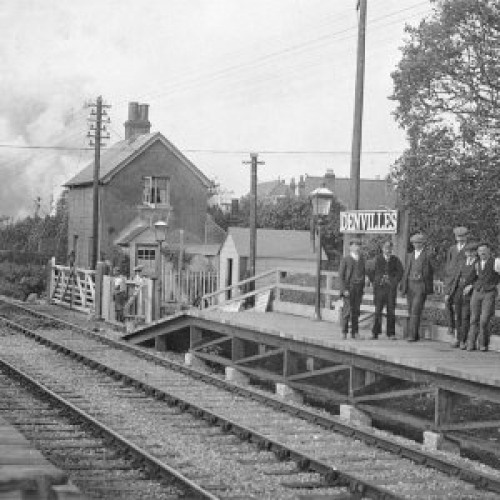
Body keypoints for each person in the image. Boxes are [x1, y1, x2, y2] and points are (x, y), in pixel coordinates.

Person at [400, 233, 434, 342]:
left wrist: (424, 278)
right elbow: (406, 271)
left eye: (419, 243)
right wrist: (404, 286)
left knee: (415, 310)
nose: (416, 245)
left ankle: (412, 336)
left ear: (423, 243)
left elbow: (432, 270)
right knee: (411, 310)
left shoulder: (428, 255)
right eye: (414, 243)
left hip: (420, 285)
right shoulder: (410, 255)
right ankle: (415, 334)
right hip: (410, 285)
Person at [368, 240, 404, 340]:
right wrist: (375, 281)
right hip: (379, 289)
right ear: (382, 249)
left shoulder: (395, 260)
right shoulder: (377, 259)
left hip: (390, 290)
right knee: (378, 311)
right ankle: (375, 333)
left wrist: (394, 281)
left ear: (391, 249)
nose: (387, 250)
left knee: (391, 311)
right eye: (385, 248)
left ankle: (391, 333)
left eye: (389, 248)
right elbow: (370, 271)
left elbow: (400, 272)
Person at [467, 242, 500, 352]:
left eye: (484, 251)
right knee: (473, 319)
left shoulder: (496, 262)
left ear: (489, 251)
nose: (482, 253)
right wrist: (471, 286)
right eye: (480, 251)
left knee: (484, 319)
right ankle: (471, 343)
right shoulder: (476, 263)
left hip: (489, 293)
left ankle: (483, 344)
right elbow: (475, 277)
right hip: (477, 292)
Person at [450, 241, 479, 349]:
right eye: (468, 252)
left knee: (465, 317)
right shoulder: (462, 262)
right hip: (459, 291)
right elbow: (456, 277)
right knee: (458, 316)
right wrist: (451, 292)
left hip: (470, 293)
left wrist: (472, 285)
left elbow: (481, 279)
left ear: (476, 252)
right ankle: (458, 339)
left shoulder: (478, 263)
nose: (470, 254)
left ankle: (463, 340)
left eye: (472, 252)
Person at [443, 226, 469, 343]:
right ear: (455, 237)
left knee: (460, 311)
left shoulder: (469, 249)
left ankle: (460, 338)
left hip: (462, 283)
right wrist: (447, 284)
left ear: (466, 236)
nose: (460, 239)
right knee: (447, 303)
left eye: (462, 236)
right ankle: (451, 327)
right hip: (451, 281)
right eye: (458, 237)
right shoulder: (452, 249)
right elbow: (448, 266)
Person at [339, 238, 366, 339]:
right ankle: (344, 332)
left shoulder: (362, 259)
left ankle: (355, 332)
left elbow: (363, 274)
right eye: (354, 246)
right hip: (348, 289)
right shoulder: (345, 259)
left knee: (356, 311)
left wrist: (363, 286)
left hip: (358, 289)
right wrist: (344, 290)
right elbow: (341, 276)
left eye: (358, 246)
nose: (356, 248)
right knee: (347, 310)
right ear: (350, 247)